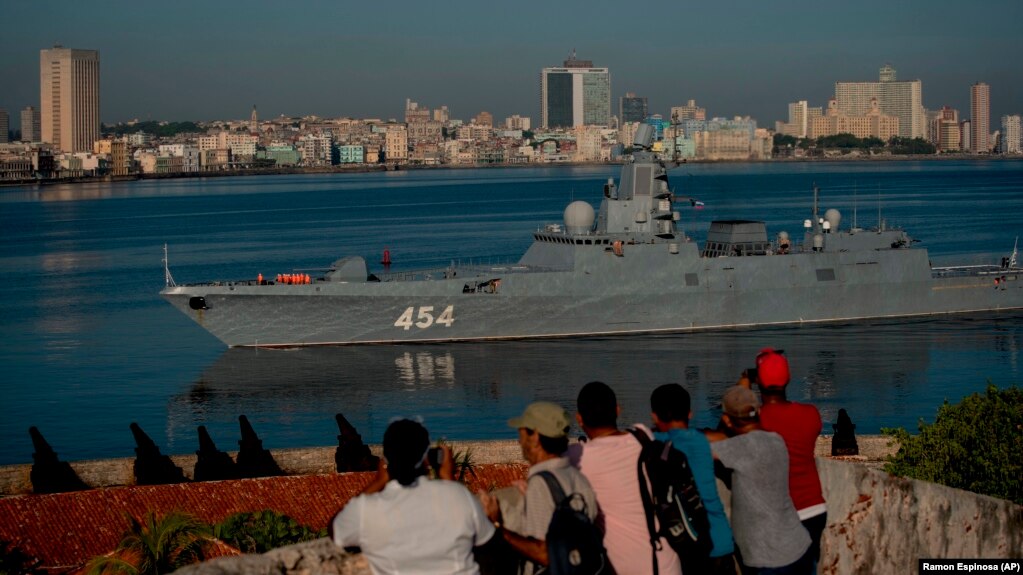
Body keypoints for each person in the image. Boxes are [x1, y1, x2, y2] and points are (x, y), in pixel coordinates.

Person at [330, 419, 495, 575]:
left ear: (386, 460)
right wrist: (447, 477)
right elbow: (486, 545)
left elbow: (335, 529)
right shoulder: (458, 495)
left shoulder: (367, 508)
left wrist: (378, 482)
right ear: (426, 458)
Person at [568, 381, 682, 575]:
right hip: (666, 563)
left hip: (625, 568)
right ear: (618, 410)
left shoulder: (578, 457)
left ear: (580, 419)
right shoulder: (642, 435)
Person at [478, 401, 599, 575]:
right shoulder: (578, 478)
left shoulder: (540, 485)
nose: (519, 440)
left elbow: (544, 554)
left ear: (534, 437)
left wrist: (497, 526)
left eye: (522, 430)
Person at [707, 386, 812, 575]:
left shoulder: (739, 448)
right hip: (798, 546)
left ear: (727, 420)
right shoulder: (776, 440)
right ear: (760, 412)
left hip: (767, 559)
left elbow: (698, 446)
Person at [649, 383, 737, 574]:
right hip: (719, 541)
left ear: (654, 416)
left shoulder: (651, 444)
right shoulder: (701, 440)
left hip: (683, 544)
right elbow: (728, 436)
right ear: (690, 414)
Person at [751, 348, 828, 566]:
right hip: (813, 510)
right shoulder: (810, 414)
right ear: (789, 378)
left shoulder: (754, 421)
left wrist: (742, 389)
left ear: (758, 380)